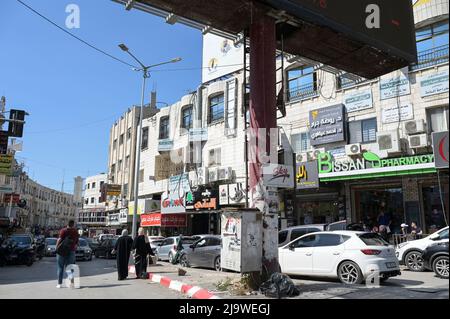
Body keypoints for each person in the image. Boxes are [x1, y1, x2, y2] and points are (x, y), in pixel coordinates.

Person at [56, 220, 79, 288]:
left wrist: (56, 248)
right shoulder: (75, 231)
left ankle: (59, 284)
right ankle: (71, 284)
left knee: (60, 267)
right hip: (71, 251)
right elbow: (77, 242)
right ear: (73, 224)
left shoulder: (63, 230)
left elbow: (59, 239)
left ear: (67, 224)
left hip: (62, 251)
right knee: (70, 268)